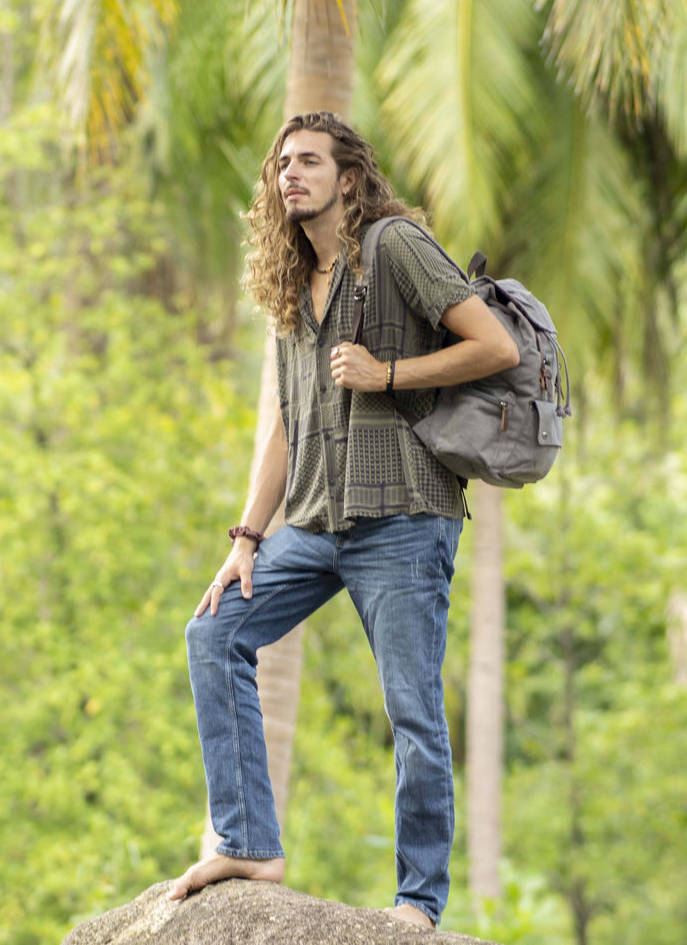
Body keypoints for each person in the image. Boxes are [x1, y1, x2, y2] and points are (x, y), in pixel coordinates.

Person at [166, 111, 518, 929]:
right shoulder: (293, 283)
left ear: (348, 178)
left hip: (402, 521)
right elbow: (286, 424)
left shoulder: (395, 246)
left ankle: (417, 902)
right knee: (214, 633)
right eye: (282, 163)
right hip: (315, 526)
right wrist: (246, 539)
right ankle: (250, 840)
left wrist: (385, 371)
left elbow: (493, 344)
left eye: (310, 161)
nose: (291, 173)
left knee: (411, 710)